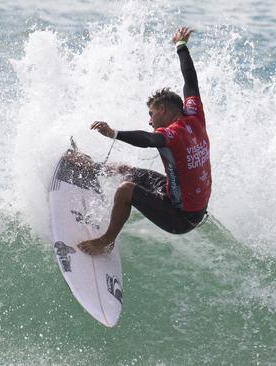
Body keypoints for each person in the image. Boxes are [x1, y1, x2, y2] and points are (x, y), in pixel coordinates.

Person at [77, 26, 211, 255]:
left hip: (182, 218)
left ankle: (107, 241)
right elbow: (191, 81)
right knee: (127, 170)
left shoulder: (174, 133)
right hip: (181, 199)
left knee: (126, 190)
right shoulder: (194, 115)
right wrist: (181, 46)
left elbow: (148, 138)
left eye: (151, 114)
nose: (150, 120)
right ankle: (91, 168)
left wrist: (114, 133)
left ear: (162, 109)